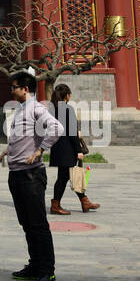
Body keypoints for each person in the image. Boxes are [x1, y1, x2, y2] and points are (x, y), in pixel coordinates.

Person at [0, 71, 63, 281]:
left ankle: (47, 271)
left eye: (14, 87)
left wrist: (41, 149)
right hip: (16, 174)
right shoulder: (20, 109)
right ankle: (34, 264)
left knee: (38, 224)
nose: (11, 90)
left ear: (25, 89)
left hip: (31, 175)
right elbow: (21, 136)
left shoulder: (36, 108)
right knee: (26, 223)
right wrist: (8, 150)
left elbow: (57, 128)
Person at [48, 84, 99, 214]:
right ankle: (56, 205)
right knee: (65, 177)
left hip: (57, 146)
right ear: (67, 95)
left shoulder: (52, 109)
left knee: (67, 176)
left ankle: (84, 201)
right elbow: (72, 132)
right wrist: (79, 150)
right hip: (67, 147)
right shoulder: (67, 109)